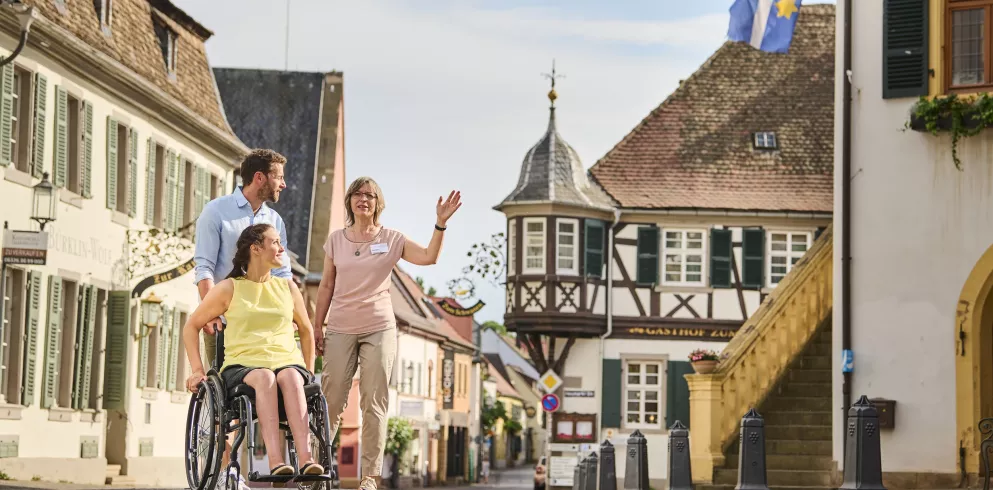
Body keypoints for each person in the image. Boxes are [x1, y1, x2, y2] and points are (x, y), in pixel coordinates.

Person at [312, 177, 462, 490]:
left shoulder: (392, 238)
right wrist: (317, 325)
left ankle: (369, 476)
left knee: (374, 402)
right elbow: (325, 285)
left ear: (378, 203)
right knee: (332, 400)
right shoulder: (336, 240)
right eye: (357, 194)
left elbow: (428, 257)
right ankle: (317, 465)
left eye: (369, 195)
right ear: (350, 201)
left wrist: (440, 224)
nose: (362, 199)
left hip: (379, 327)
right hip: (339, 327)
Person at [184, 223, 323, 477]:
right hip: (243, 365)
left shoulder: (288, 287)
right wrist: (196, 369)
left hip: (286, 361)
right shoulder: (229, 288)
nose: (282, 248)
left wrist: (309, 371)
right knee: (265, 376)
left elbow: (305, 330)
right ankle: (276, 462)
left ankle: (306, 460)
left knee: (291, 375)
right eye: (275, 242)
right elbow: (191, 325)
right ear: (256, 248)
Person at [193, 149, 292, 489]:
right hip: (223, 318)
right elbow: (204, 265)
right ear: (260, 177)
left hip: (264, 324)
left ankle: (272, 462)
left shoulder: (274, 221)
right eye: (279, 176)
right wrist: (210, 309)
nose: (284, 183)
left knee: (271, 386)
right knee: (223, 401)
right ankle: (224, 471)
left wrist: (292, 317)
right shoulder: (216, 212)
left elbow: (285, 273)